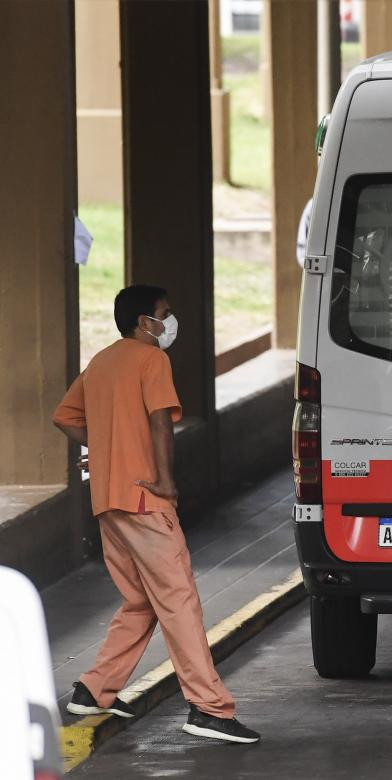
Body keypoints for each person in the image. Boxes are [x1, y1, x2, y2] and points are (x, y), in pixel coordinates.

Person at [52, 285, 260, 745]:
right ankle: (208, 708)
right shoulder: (152, 359)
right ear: (145, 322)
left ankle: (94, 688)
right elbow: (161, 421)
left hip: (109, 500)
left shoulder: (103, 360)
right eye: (166, 314)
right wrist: (166, 481)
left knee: (142, 600)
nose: (170, 321)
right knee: (179, 600)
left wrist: (106, 446)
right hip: (146, 499)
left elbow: (64, 417)